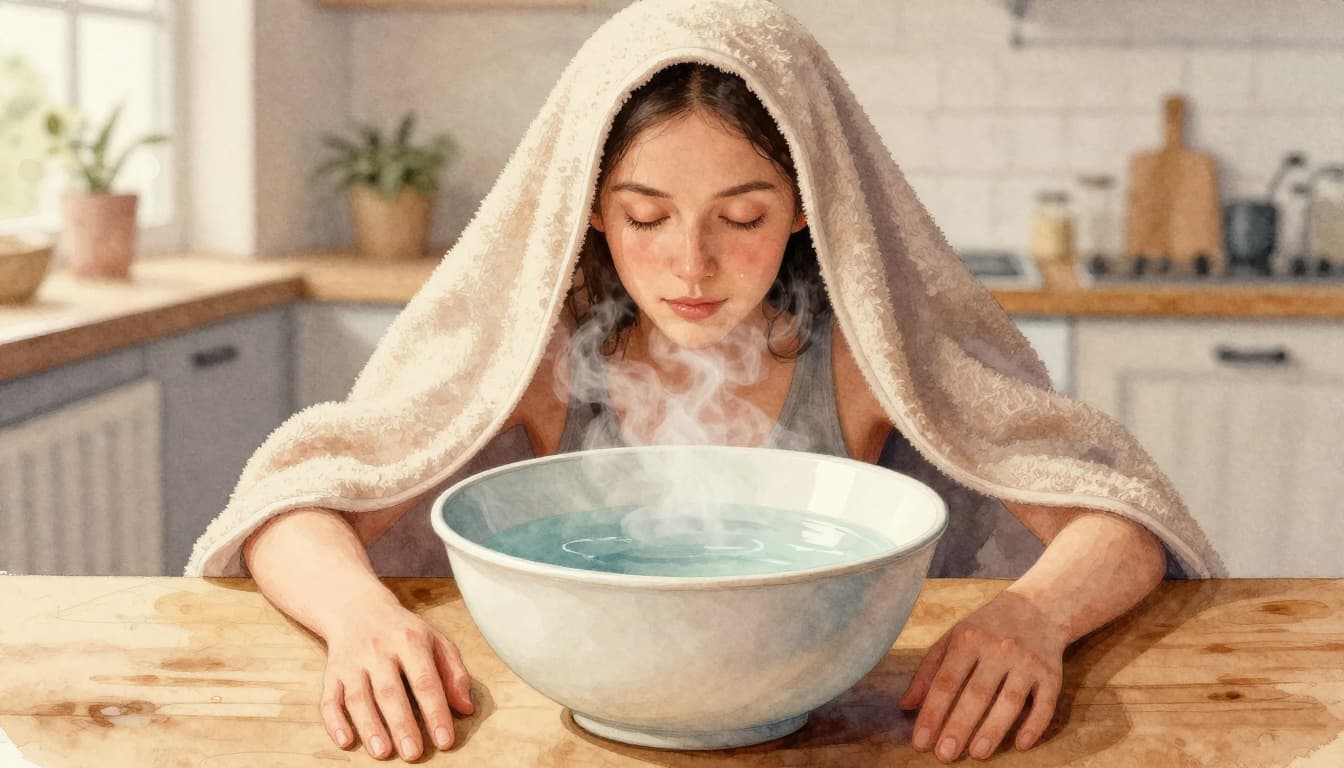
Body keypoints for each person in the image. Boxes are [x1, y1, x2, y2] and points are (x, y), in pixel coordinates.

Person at [190, 0, 1224, 763]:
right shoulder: (544, 355)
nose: (692, 264)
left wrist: (1031, 617)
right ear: (588, 207)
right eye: (646, 215)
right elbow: (295, 498)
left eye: (743, 217)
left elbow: (1119, 512)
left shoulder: (863, 359)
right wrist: (361, 618)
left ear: (810, 204)